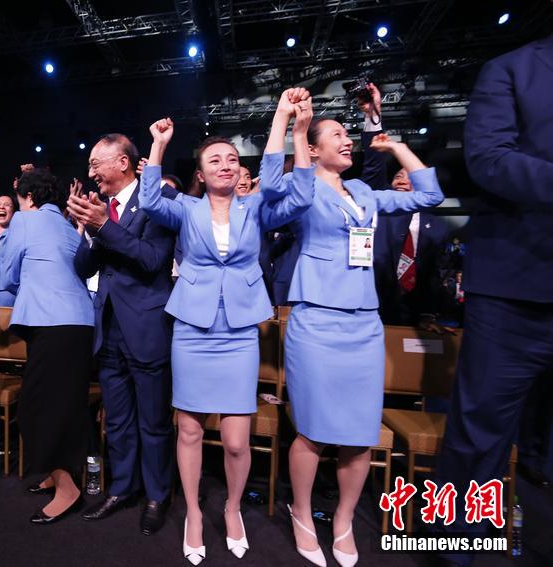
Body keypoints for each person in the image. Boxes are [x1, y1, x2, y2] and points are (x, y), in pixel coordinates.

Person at [139, 88, 316, 564]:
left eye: (233, 159)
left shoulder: (254, 207)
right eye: (214, 159)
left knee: (237, 441)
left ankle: (233, 507)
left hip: (239, 332)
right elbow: (150, 199)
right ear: (200, 173)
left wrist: (289, 125)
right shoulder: (186, 208)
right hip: (193, 330)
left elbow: (299, 195)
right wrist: (158, 145)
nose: (225, 165)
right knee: (190, 431)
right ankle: (195, 513)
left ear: (240, 170)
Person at [283, 116, 443, 566]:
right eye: (336, 134)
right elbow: (284, 189)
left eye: (347, 134)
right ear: (314, 149)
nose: (347, 140)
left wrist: (396, 147)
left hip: (364, 324)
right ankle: (301, 513)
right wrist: (296, 134)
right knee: (313, 431)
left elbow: (430, 195)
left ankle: (344, 518)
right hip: (316, 320)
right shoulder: (302, 187)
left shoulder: (365, 193)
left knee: (359, 433)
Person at [435, 32, 553, 566]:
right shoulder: (513, 69)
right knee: (479, 433)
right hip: (518, 286)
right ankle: (454, 547)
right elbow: (488, 159)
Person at [67, 133, 177, 535]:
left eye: (97, 163)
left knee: (154, 422)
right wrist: (91, 229)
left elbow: (152, 259)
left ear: (124, 163)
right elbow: (83, 268)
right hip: (109, 329)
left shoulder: (158, 198)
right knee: (117, 421)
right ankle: (122, 488)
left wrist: (104, 225)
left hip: (146, 328)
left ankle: (157, 494)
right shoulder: (104, 209)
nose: (91, 172)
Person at [0, 168, 94, 525]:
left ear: (26, 197)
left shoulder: (25, 220)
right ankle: (57, 474)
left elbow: (7, 275)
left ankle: (67, 488)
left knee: (35, 407)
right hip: (79, 324)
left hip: (52, 323)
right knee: (65, 405)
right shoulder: (68, 227)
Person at [358, 83, 452, 333]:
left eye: (411, 177)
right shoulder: (383, 208)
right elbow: (373, 166)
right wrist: (373, 115)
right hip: (371, 307)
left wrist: (428, 313)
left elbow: (433, 274)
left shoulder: (438, 228)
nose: (402, 180)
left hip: (413, 315)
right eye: (398, 175)